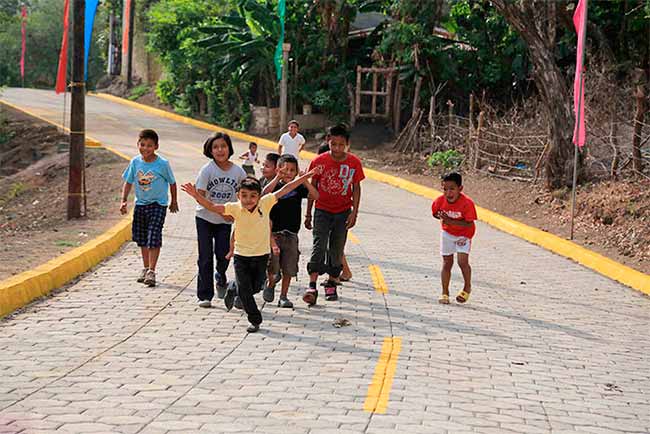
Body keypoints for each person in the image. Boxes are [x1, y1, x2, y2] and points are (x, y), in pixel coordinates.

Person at [181, 167, 320, 333]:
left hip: (261, 255)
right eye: (244, 195)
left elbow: (286, 189)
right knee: (246, 292)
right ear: (238, 195)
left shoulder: (265, 203)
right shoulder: (234, 207)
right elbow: (212, 206)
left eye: (253, 196)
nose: (248, 200)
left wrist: (307, 176)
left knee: (255, 287)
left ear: (259, 196)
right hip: (241, 256)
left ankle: (233, 287)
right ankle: (254, 320)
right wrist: (197, 195)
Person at [304, 124, 365, 305]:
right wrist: (308, 214)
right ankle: (312, 285)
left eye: (341, 144)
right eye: (333, 144)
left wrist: (354, 213)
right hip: (322, 211)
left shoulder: (354, 163)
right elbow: (312, 186)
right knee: (319, 246)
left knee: (336, 249)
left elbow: (356, 188)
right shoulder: (319, 162)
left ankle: (331, 283)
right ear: (327, 142)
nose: (337, 148)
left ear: (347, 144)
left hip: (343, 212)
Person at [120, 129, 179, 287]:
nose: (145, 148)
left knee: (153, 236)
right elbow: (128, 181)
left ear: (156, 146)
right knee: (142, 238)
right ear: (138, 144)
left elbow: (172, 183)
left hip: (158, 204)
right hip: (140, 204)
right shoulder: (135, 162)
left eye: (149, 145)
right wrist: (124, 200)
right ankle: (145, 268)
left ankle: (152, 271)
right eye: (143, 144)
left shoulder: (162, 164)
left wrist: (174, 201)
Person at [195, 132, 247, 308]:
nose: (220, 150)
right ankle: (205, 295)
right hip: (204, 217)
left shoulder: (238, 172)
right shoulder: (207, 170)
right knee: (205, 256)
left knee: (223, 255)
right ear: (210, 150)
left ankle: (221, 275)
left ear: (229, 148)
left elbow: (245, 194)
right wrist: (220, 212)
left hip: (226, 221)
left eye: (223, 146)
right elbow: (199, 196)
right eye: (215, 147)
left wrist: (236, 213)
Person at [261, 154, 319, 308]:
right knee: (272, 265)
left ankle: (284, 296)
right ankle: (271, 283)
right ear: (278, 169)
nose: (288, 173)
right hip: (274, 234)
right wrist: (275, 178)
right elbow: (264, 194)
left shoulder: (298, 188)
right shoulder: (274, 186)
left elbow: (315, 195)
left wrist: (304, 179)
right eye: (285, 169)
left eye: (292, 170)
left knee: (289, 267)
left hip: (292, 234)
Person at [431, 172, 477, 304]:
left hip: (464, 234)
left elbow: (469, 223)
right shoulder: (439, 201)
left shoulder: (467, 203)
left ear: (460, 189)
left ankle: (467, 287)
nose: (448, 193)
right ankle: (445, 292)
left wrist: (450, 221)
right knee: (447, 263)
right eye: (445, 189)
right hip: (447, 233)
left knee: (462, 262)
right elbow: (435, 214)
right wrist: (441, 217)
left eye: (452, 189)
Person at [309, 140, 352, 282]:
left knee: (334, 247)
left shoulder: (345, 166)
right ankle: (339, 274)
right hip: (325, 212)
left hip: (339, 213)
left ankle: (338, 276)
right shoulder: (321, 166)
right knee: (328, 246)